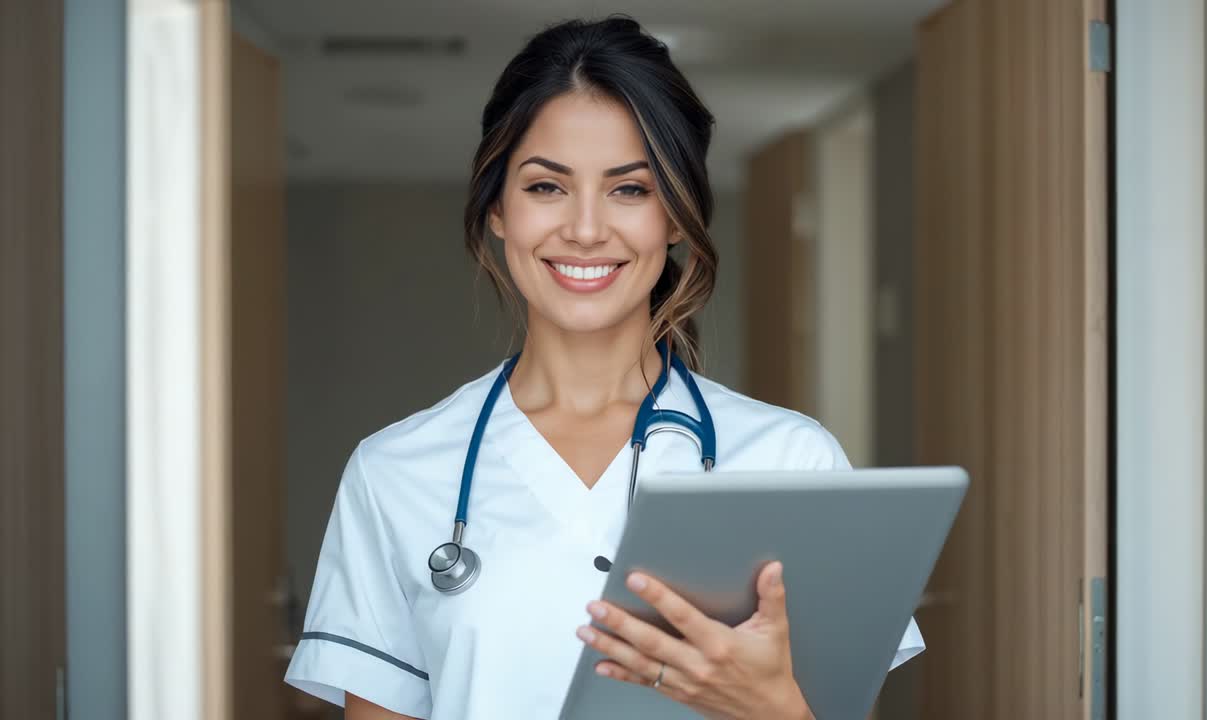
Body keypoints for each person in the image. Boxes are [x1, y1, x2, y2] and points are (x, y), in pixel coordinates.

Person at [284, 15, 923, 720]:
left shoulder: (792, 463)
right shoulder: (397, 472)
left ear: (677, 217)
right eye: (546, 187)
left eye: (630, 189)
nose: (585, 229)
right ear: (496, 208)